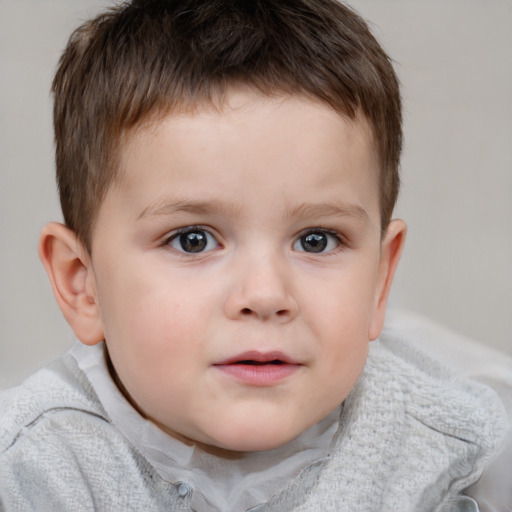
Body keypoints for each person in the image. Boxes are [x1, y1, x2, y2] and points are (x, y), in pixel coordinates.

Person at [0, 1, 508, 510]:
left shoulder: (446, 453)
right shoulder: (32, 472)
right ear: (82, 283)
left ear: (379, 278)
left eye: (317, 240)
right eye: (193, 239)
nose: (265, 295)